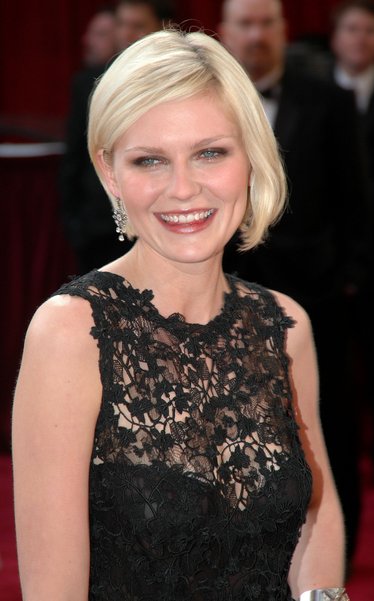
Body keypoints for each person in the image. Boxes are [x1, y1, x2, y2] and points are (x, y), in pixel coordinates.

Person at [12, 28, 350, 601]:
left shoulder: (283, 325)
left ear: (251, 156)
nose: (184, 189)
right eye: (150, 160)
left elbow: (316, 519)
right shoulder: (72, 332)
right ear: (110, 173)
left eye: (209, 153)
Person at [218, 0, 371, 564]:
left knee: (327, 423)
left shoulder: (329, 101)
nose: (256, 34)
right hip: (220, 289)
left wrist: (347, 280)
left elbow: (356, 200)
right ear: (224, 31)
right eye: (245, 23)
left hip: (316, 294)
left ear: (284, 31)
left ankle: (337, 551)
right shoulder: (206, 102)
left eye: (267, 23)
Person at [330, 0, 374, 491]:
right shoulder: (312, 96)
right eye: (352, 29)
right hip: (324, 258)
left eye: (370, 30)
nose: (360, 38)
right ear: (336, 37)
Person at [60, 0, 174, 275]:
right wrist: (77, 226)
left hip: (164, 227)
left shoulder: (179, 84)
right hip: (100, 232)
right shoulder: (88, 83)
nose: (127, 34)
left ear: (163, 29)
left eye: (138, 25)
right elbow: (73, 160)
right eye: (122, 24)